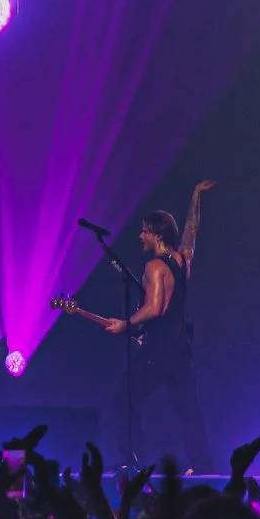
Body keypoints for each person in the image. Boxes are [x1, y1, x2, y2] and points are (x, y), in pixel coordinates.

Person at [62, 181, 213, 469]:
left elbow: (154, 308)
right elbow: (191, 233)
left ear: (156, 234)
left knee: (125, 398)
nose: (140, 235)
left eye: (145, 230)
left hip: (159, 351)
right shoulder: (184, 259)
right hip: (180, 348)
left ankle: (132, 460)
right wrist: (195, 197)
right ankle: (202, 462)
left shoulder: (154, 267)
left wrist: (126, 323)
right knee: (188, 409)